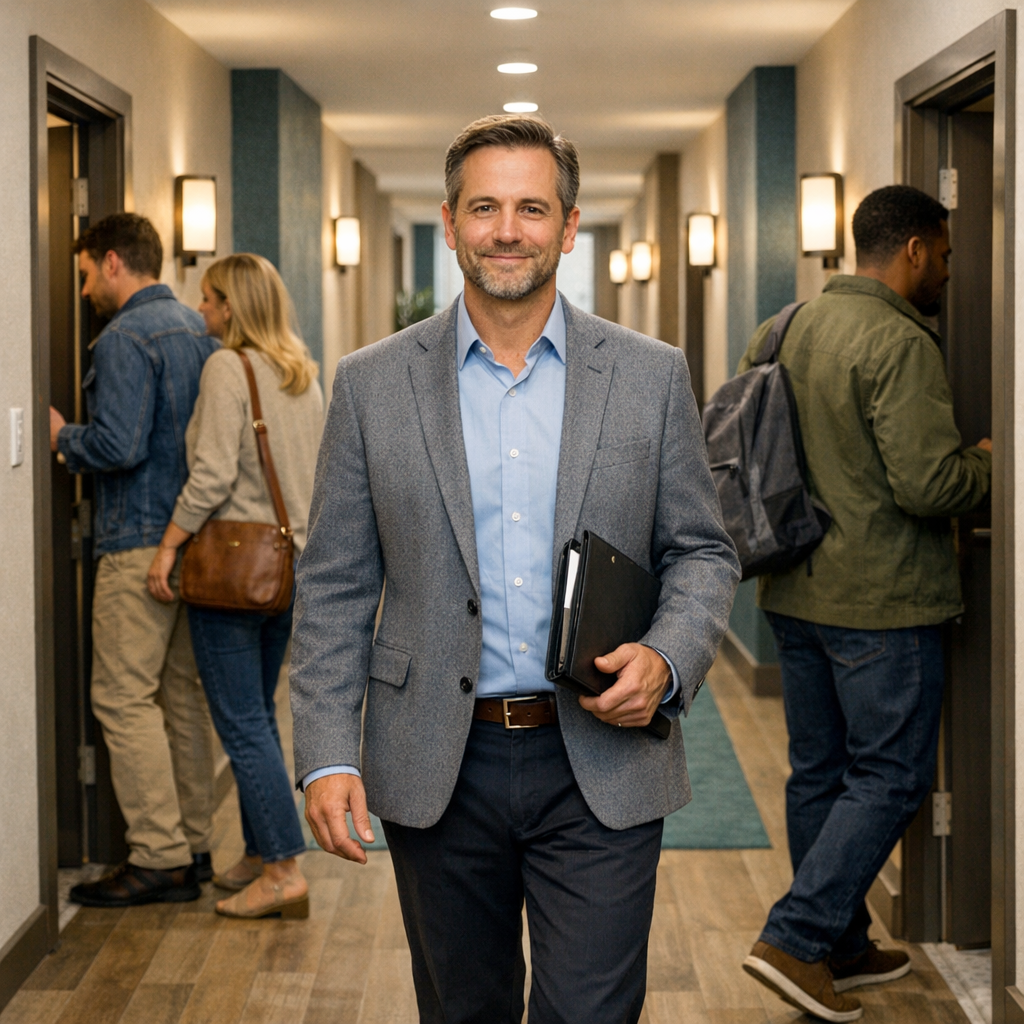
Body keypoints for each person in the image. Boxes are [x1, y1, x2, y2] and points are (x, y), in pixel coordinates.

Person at [291, 114, 740, 1023]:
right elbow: (335, 582)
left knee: (590, 1012)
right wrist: (327, 752)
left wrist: (669, 657)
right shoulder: (371, 384)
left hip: (602, 763)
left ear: (568, 227)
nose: (508, 230)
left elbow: (702, 550)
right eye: (485, 206)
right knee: (463, 1009)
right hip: (433, 761)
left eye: (532, 208)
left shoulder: (650, 377)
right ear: (451, 220)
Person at [738, 185, 993, 1023]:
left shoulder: (785, 327)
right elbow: (929, 485)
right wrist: (992, 462)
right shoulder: (897, 340)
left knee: (820, 772)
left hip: (792, 590)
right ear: (915, 249)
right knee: (889, 775)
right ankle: (798, 935)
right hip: (881, 602)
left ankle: (841, 943)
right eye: (947, 254)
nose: (948, 272)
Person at [147, 253, 324, 920]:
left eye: (210, 299)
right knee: (259, 716)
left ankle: (282, 871)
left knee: (241, 722)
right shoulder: (302, 373)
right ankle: (259, 852)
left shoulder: (229, 366)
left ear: (234, 306)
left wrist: (167, 546)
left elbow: (213, 475)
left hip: (232, 571)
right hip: (290, 571)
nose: (202, 312)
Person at [52, 212, 219, 907]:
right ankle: (195, 842)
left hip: (135, 543)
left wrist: (64, 438)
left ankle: (156, 854)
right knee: (180, 696)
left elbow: (119, 446)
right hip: (191, 543)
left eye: (88, 271)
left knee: (122, 698)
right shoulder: (196, 331)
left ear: (115, 262)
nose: (86, 286)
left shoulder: (122, 337)